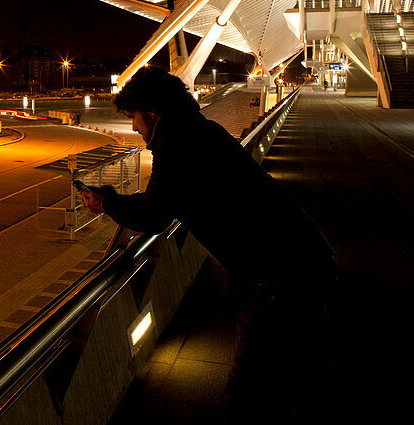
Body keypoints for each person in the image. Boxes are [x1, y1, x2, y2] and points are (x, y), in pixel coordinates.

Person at [79, 66, 337, 422]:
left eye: (133, 117)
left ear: (153, 112)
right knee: (292, 381)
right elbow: (169, 196)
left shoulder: (177, 143)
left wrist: (106, 204)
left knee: (247, 392)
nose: (134, 127)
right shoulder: (199, 131)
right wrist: (115, 200)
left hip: (279, 280)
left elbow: (154, 215)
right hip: (301, 262)